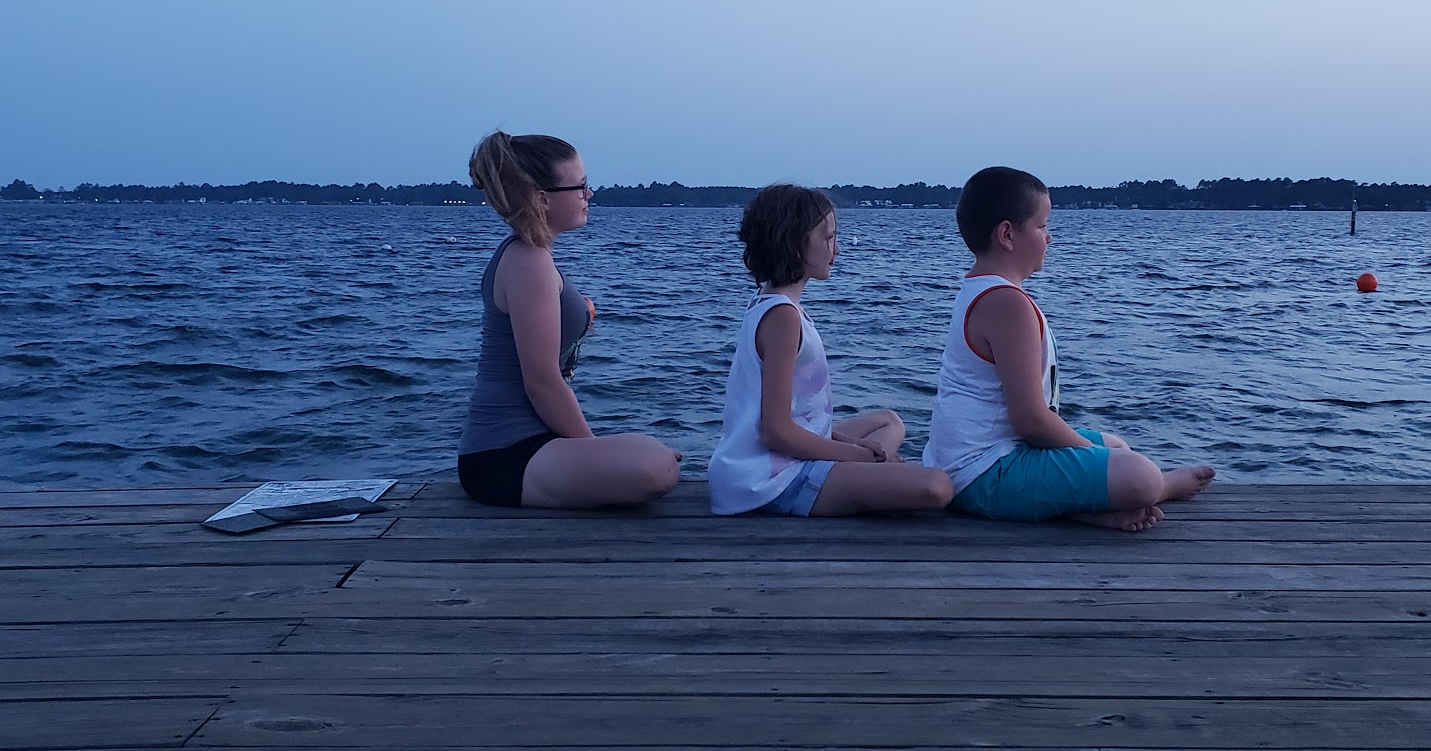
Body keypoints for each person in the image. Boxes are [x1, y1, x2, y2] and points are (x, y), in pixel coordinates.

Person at [921, 166, 1213, 530]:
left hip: (984, 459)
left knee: (1116, 446)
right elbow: (1031, 420)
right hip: (983, 475)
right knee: (1140, 474)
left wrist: (1098, 454)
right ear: (1007, 234)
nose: (1050, 237)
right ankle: (1162, 487)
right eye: (1042, 226)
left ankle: (1081, 509)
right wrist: (1092, 455)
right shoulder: (1006, 303)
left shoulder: (983, 290)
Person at [457, 131, 681, 508]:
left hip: (537, 443)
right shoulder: (529, 261)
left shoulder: (531, 257)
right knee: (654, 468)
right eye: (580, 186)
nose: (589, 194)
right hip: (504, 455)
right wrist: (595, 455)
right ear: (542, 198)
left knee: (652, 457)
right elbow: (541, 382)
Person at [710, 183, 953, 517]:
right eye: (828, 238)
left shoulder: (773, 304)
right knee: (937, 486)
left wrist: (850, 444)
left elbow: (791, 419)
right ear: (794, 243)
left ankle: (868, 472)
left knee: (889, 422)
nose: (836, 249)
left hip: (783, 458)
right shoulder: (782, 318)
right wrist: (854, 456)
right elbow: (775, 431)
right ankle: (867, 474)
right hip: (772, 480)